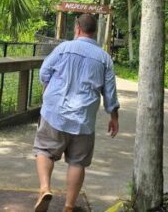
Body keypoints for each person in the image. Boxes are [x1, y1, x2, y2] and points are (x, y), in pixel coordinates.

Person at [33, 13, 120, 212]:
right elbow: (110, 92)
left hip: (54, 113)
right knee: (77, 162)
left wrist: (49, 89)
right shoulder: (105, 59)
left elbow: (44, 72)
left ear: (77, 28)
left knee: (45, 150)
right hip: (84, 119)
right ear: (94, 32)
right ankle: (69, 207)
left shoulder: (63, 48)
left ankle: (45, 188)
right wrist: (114, 117)